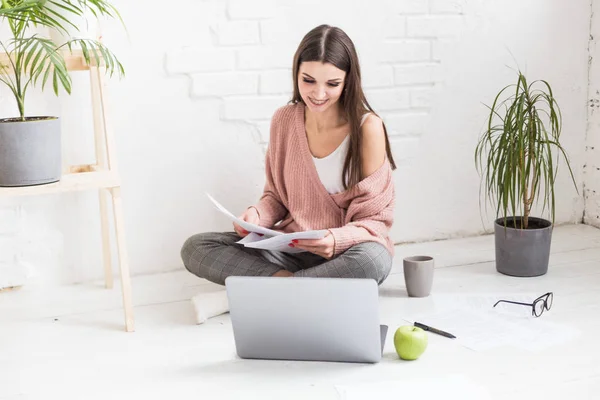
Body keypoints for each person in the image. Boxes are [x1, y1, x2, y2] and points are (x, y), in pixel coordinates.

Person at [181, 24, 397, 323]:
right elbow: (276, 196)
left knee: (373, 262)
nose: (318, 94)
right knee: (196, 248)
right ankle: (302, 289)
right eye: (308, 80)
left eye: (332, 84)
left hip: (345, 252)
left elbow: (375, 220)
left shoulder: (367, 128)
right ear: (296, 73)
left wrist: (335, 240)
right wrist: (257, 215)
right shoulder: (285, 119)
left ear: (348, 81)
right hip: (291, 248)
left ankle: (255, 292)